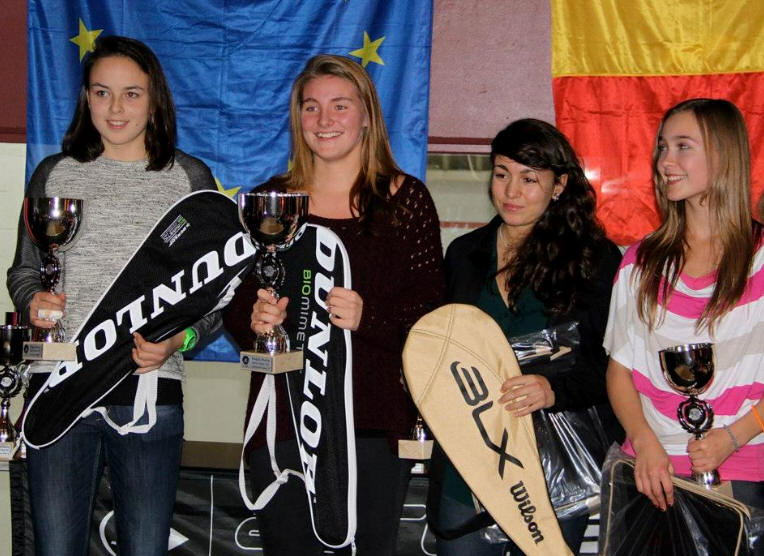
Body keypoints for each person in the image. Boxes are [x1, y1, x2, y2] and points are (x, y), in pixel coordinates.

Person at [222, 54, 444, 555]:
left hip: (373, 425)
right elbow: (233, 304)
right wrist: (255, 320)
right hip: (284, 421)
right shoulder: (270, 203)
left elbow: (433, 315)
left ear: (367, 116)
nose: (324, 120)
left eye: (340, 105)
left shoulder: (406, 202)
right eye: (311, 107)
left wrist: (370, 319)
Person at [7, 36, 219, 556]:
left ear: (155, 100)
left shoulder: (190, 178)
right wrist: (34, 302)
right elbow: (24, 272)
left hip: (149, 388)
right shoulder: (53, 173)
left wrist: (178, 341)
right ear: (86, 98)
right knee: (56, 548)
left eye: (132, 94)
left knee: (145, 548)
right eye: (102, 93)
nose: (116, 108)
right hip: (58, 387)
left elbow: (216, 298)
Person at [428, 118, 623, 555]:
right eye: (502, 174)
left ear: (559, 185)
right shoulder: (464, 254)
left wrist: (553, 390)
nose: (511, 191)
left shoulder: (593, 259)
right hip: (468, 460)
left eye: (529, 178)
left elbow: (616, 367)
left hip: (554, 465)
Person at [605, 98, 764, 512]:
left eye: (683, 146)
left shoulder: (761, 257)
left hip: (746, 470)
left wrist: (734, 437)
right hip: (651, 472)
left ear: (723, 154)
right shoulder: (641, 260)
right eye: (662, 147)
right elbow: (620, 370)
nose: (665, 162)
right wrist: (644, 442)